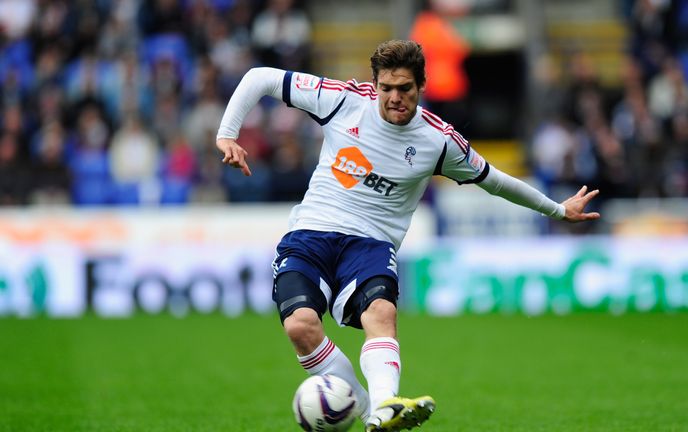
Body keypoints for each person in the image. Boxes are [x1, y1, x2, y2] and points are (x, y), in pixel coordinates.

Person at [215, 40, 600, 432]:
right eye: (387, 88)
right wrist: (227, 134)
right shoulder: (342, 100)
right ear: (375, 84)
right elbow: (259, 77)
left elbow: (496, 182)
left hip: (371, 245)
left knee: (381, 313)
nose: (395, 98)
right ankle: (370, 411)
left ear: (422, 86)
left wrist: (556, 209)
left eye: (405, 89)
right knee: (300, 326)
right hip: (311, 233)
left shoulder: (439, 141)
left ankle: (385, 406)